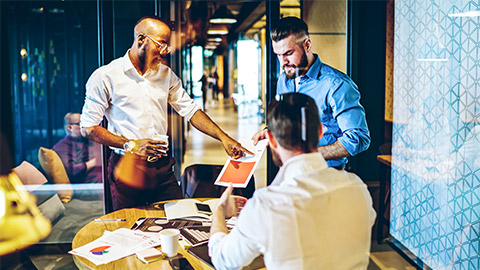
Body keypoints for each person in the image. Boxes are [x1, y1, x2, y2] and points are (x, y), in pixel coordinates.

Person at [80, 16, 252, 211]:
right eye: (161, 44)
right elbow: (88, 128)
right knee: (131, 229)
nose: (165, 52)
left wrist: (224, 138)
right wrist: (131, 144)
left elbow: (190, 110)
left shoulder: (165, 74)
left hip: (163, 168)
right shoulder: (106, 76)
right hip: (127, 168)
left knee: (181, 219)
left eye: (167, 46)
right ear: (141, 39)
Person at [209, 93, 376, 269]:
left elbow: (223, 260)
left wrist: (219, 213)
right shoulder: (357, 188)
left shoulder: (267, 204)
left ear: (271, 139)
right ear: (320, 131)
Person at [252, 17, 370, 169]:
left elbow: (358, 138)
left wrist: (308, 155)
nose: (283, 62)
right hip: (291, 170)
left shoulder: (336, 85)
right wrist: (270, 131)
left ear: (307, 45)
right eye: (278, 55)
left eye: (288, 53)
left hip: (327, 174)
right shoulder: (284, 79)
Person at [53, 113, 102, 184]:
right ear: (70, 127)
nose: (84, 126)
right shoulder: (61, 146)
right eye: (80, 123)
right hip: (85, 185)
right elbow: (71, 171)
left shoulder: (87, 140)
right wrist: (95, 162)